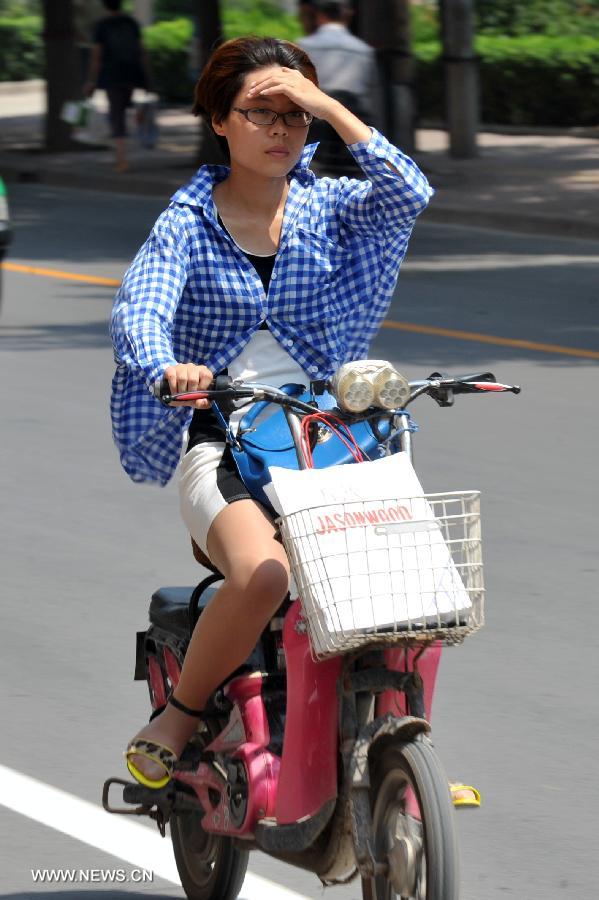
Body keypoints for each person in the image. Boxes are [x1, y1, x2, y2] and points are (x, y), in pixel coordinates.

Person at [110, 35, 436, 794]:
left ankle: (389, 745)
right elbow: (142, 311)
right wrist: (168, 367)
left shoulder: (332, 205)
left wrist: (329, 106)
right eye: (261, 112)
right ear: (220, 121)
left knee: (413, 585)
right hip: (220, 437)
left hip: (329, 436)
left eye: (295, 115)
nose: (281, 129)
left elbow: (409, 194)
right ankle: (183, 716)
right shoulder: (186, 221)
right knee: (263, 575)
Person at [298, 0, 384, 168]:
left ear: (320, 16)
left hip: (316, 115)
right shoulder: (363, 49)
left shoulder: (305, 46)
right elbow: (370, 87)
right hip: (353, 114)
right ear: (346, 16)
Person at [84, 0, 148, 172]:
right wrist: (147, 77)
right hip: (132, 74)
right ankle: (137, 135)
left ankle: (121, 160)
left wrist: (91, 80)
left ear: (106, 6)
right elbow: (141, 50)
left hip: (112, 76)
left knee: (117, 114)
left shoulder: (102, 25)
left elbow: (96, 56)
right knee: (128, 107)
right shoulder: (131, 23)